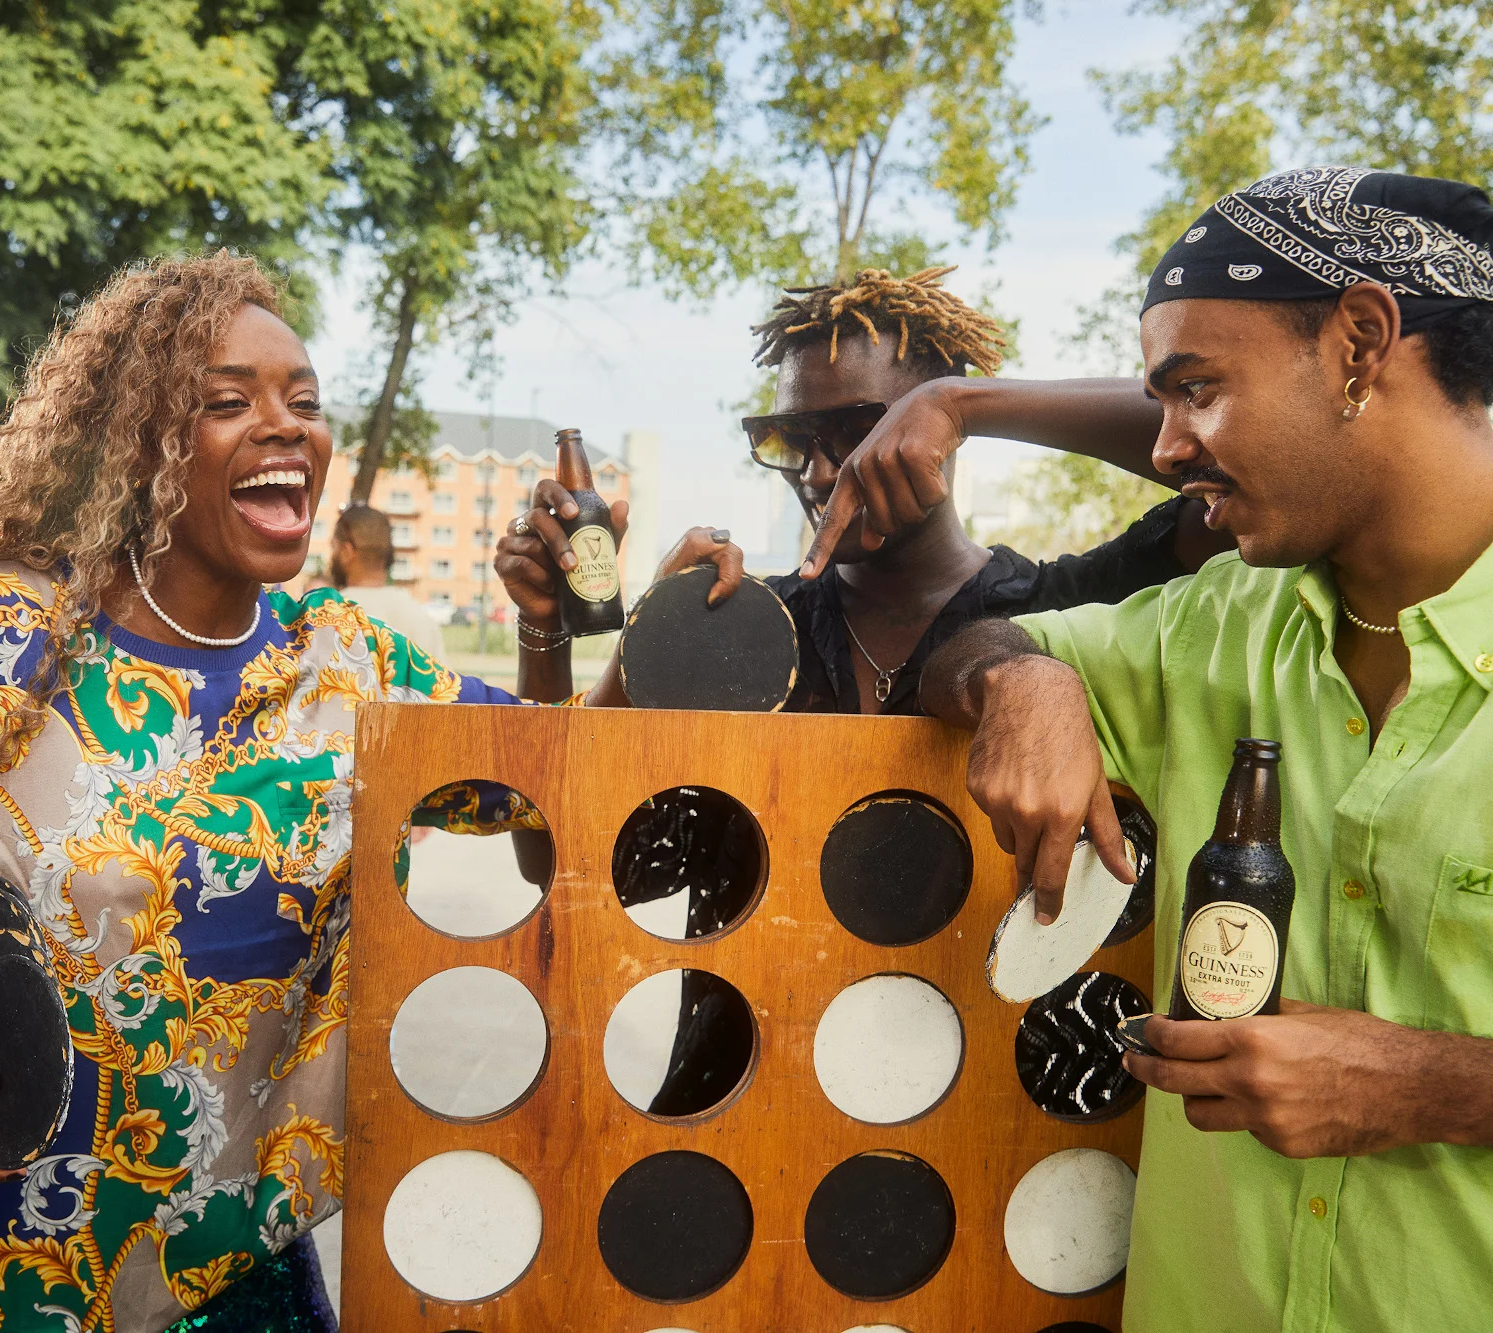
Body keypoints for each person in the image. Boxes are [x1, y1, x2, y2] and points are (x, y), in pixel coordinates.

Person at [0, 254, 575, 1331]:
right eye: (228, 401)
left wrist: (556, 621)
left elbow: (541, 785)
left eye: (304, 403)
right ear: (140, 446)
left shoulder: (355, 671)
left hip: (228, 1279)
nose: (285, 426)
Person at [918, 167, 1493, 1331]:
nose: (1167, 447)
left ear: (1359, 343)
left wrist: (1442, 1087)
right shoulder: (1211, 617)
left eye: (1195, 389)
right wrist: (1019, 679)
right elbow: (964, 645)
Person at [497, 266, 1232, 1112]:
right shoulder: (746, 631)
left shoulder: (1070, 607)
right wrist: (615, 640)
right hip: (746, 1115)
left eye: (855, 429)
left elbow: (1213, 448)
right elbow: (562, 863)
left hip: (990, 1135)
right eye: (787, 438)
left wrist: (969, 405)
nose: (816, 471)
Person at [329, 501, 448, 663]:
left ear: (346, 552)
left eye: (333, 547)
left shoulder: (329, 613)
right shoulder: (422, 619)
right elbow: (444, 685)